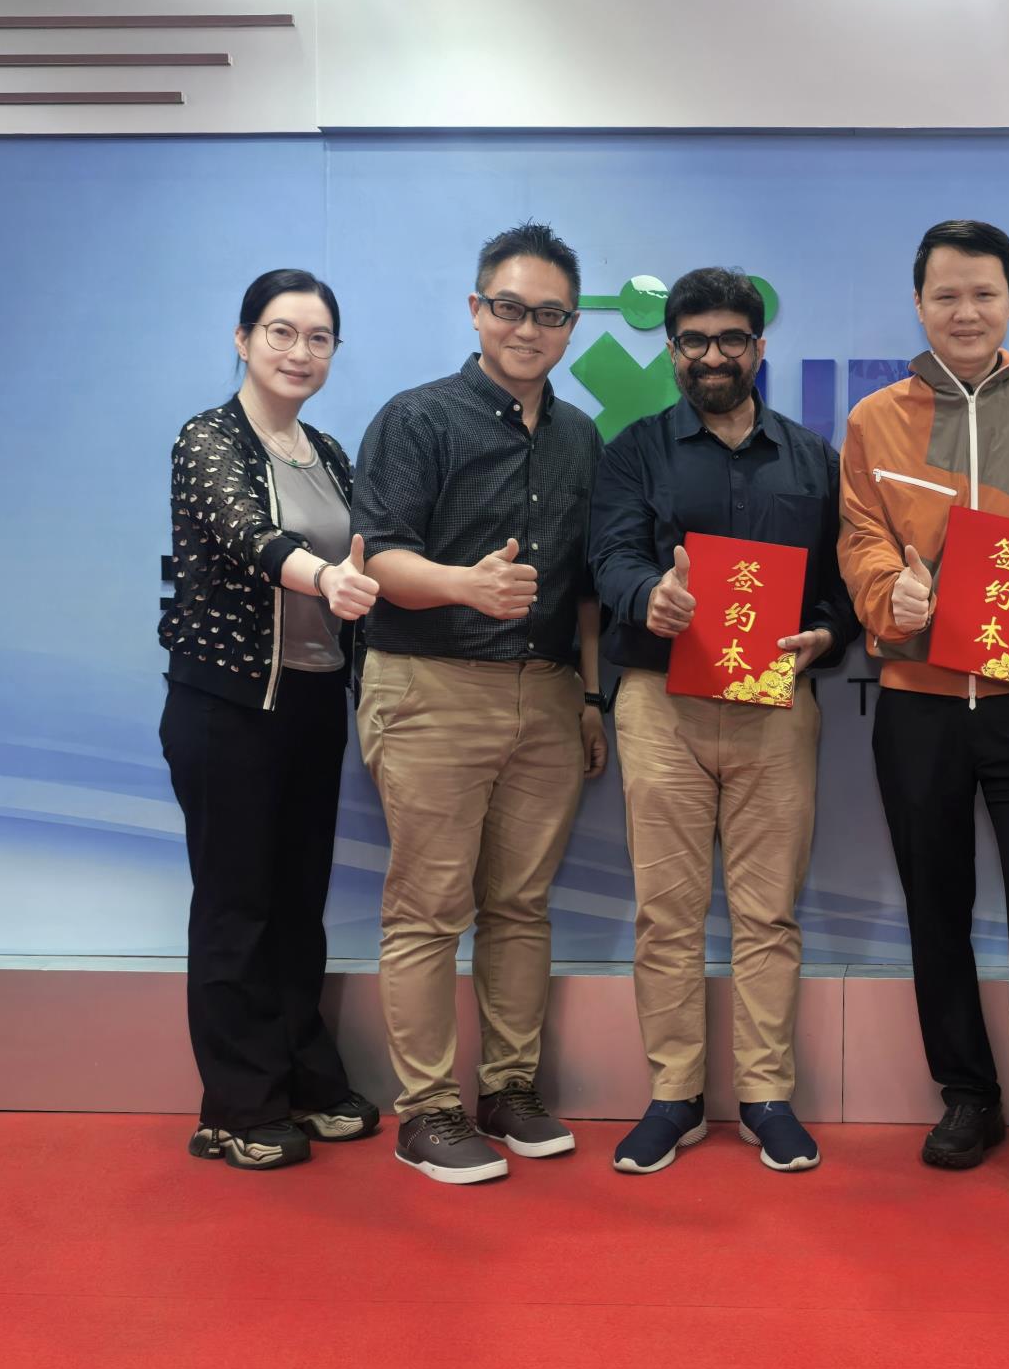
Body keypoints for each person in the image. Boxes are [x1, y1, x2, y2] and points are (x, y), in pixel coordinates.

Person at [838, 219, 1009, 1220]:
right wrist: (890, 596)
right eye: (946, 294)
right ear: (918, 305)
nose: (966, 311)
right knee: (934, 906)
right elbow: (859, 538)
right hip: (916, 705)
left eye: (983, 293)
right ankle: (966, 1093)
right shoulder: (874, 419)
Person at [352, 222, 607, 1185]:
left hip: (547, 696)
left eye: (550, 314)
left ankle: (510, 1089)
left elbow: (585, 590)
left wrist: (591, 696)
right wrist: (465, 584)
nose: (527, 329)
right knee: (428, 907)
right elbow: (378, 557)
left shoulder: (581, 437)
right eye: (510, 308)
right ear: (476, 309)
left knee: (521, 906)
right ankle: (426, 1109)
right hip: (432, 686)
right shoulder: (417, 418)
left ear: (572, 325)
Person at [589, 267, 857, 1175]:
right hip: (660, 701)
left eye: (730, 339)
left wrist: (827, 633)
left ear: (759, 347)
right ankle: (674, 1096)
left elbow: (842, 585)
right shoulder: (633, 452)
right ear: (672, 351)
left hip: (775, 707)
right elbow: (610, 557)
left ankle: (766, 1095)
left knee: (767, 912)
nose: (713, 355)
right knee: (665, 913)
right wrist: (648, 596)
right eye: (694, 340)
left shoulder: (812, 458)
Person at [159, 268, 383, 1171]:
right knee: (236, 904)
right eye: (282, 332)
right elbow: (246, 533)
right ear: (244, 339)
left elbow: (371, 547)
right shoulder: (209, 438)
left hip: (313, 698)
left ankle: (303, 1077)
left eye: (318, 338)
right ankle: (236, 1104)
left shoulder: (324, 450)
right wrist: (326, 577)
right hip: (228, 703)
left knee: (297, 902)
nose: (300, 352)